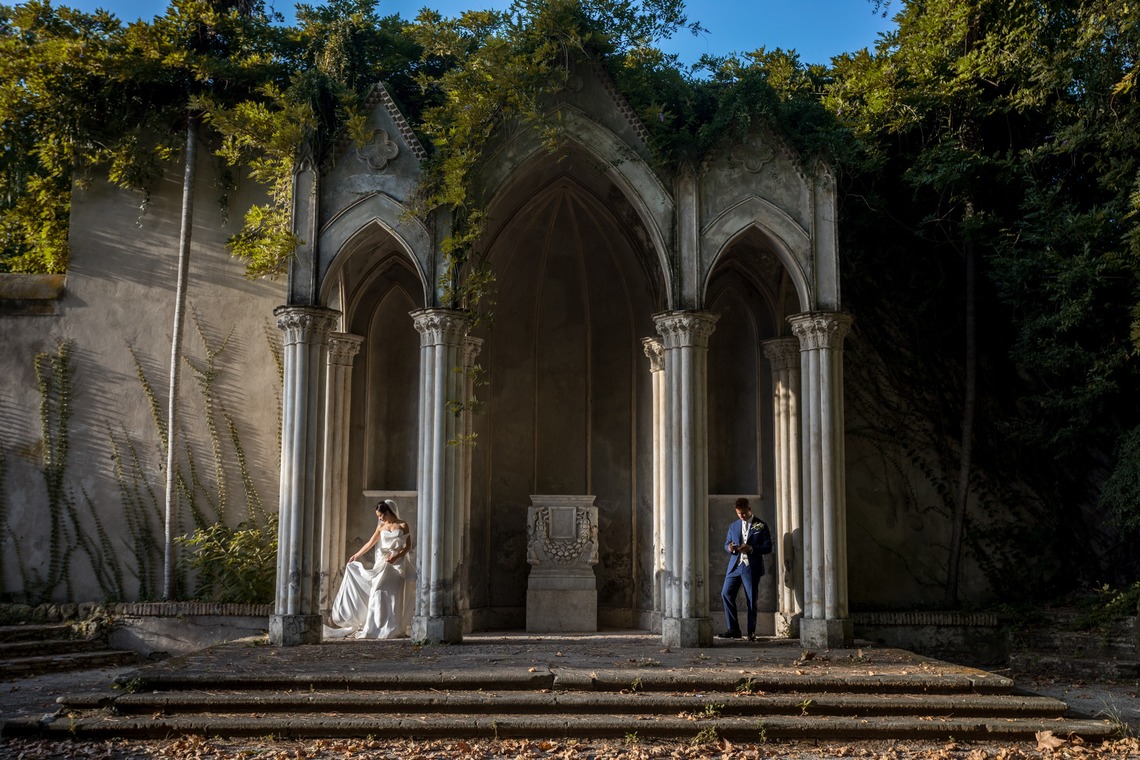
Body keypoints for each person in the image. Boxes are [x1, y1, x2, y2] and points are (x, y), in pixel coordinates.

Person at [324, 499, 417, 639]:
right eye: (378, 516)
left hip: (397, 565)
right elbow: (370, 543)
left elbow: (408, 546)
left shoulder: (403, 525)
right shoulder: (381, 527)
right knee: (377, 592)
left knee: (393, 595)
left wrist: (396, 557)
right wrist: (356, 555)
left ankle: (393, 628)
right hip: (383, 563)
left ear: (388, 512)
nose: (380, 518)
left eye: (381, 515)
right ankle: (374, 627)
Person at [719, 497, 772, 641]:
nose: (741, 516)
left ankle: (751, 632)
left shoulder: (760, 525)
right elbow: (726, 544)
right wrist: (730, 548)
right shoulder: (733, 526)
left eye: (743, 513)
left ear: (749, 509)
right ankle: (734, 629)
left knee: (751, 600)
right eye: (738, 514)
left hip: (751, 567)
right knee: (726, 594)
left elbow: (768, 547)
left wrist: (751, 548)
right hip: (735, 566)